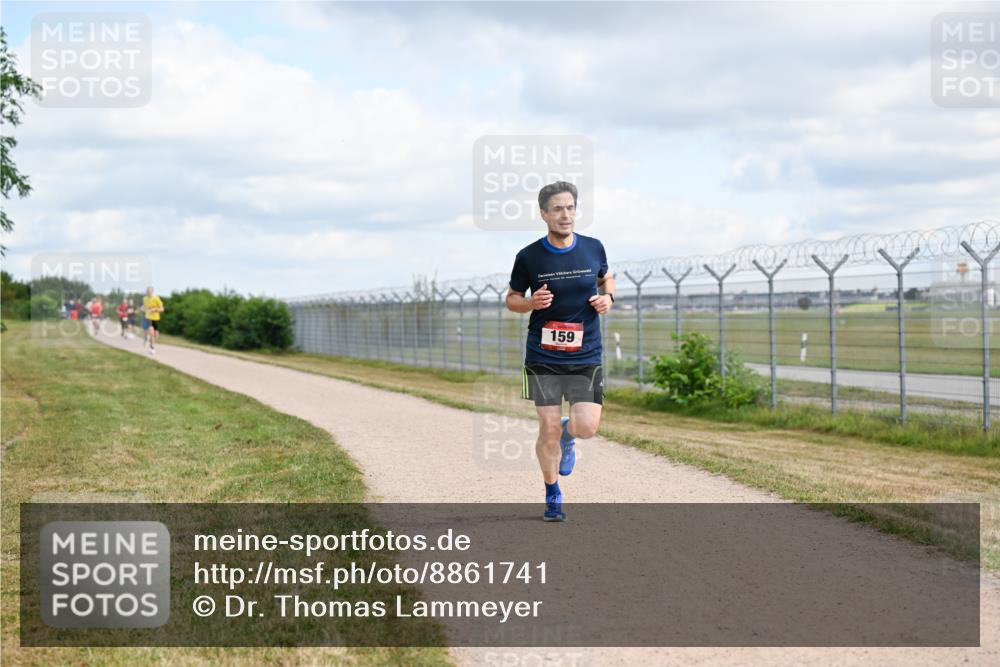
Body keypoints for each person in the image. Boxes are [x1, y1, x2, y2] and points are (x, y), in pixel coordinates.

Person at [505, 181, 615, 522]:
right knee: (546, 427)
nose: (565, 215)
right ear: (544, 214)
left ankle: (571, 434)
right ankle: (553, 495)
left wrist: (608, 297)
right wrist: (529, 302)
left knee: (587, 427)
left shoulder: (594, 248)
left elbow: (606, 279)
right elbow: (511, 299)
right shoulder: (529, 256)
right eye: (557, 209)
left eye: (570, 208)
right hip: (544, 355)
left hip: (586, 354)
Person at [142, 286, 164, 355]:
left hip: (156, 318)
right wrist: (143, 309)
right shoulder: (145, 298)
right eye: (147, 292)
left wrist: (155, 309)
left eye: (149, 292)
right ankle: (152, 348)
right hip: (148, 317)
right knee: (151, 332)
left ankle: (151, 342)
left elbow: (162, 309)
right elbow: (144, 307)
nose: (148, 293)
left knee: (155, 334)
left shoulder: (156, 298)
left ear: (152, 292)